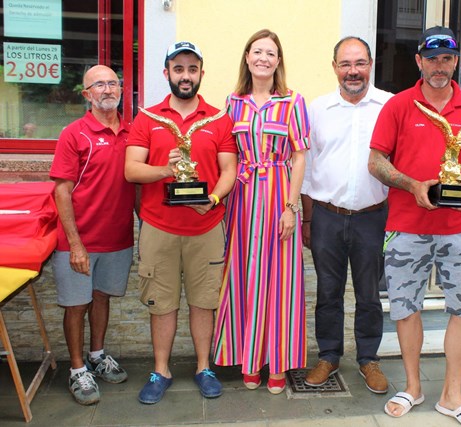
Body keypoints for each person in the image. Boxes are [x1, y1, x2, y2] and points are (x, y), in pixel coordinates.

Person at [368, 26, 461, 426]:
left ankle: (451, 395)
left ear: (456, 61)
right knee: (406, 309)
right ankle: (413, 387)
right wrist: (411, 184)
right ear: (419, 61)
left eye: (447, 58)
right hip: (407, 226)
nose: (440, 66)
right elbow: (375, 161)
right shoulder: (399, 106)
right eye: (432, 58)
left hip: (459, 227)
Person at [125, 41, 238, 404]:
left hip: (206, 228)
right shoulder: (148, 117)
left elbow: (229, 170)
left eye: (192, 69)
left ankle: (205, 367)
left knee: (204, 301)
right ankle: (161, 370)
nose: (185, 76)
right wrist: (166, 169)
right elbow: (131, 170)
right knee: (162, 302)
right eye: (178, 69)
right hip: (158, 228)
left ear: (201, 74)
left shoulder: (219, 118)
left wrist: (214, 199)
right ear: (167, 74)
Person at [212, 29, 309, 395]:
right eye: (257, 52)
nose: (264, 58)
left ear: (278, 60)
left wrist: (290, 206)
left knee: (280, 283)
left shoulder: (292, 101)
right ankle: (249, 360)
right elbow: (226, 153)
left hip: (279, 197)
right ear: (248, 57)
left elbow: (299, 156)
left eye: (271, 53)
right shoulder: (232, 102)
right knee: (243, 278)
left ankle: (278, 364)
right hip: (243, 198)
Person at [300, 36, 392, 394]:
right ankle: (329, 356)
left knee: (369, 294)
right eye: (345, 64)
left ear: (370, 65)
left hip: (374, 217)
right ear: (335, 67)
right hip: (326, 216)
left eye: (360, 63)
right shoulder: (317, 109)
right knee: (328, 292)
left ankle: (368, 358)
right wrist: (308, 219)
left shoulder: (390, 106)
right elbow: (307, 167)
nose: (353, 71)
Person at [50, 65, 135, 405]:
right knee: (76, 305)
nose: (107, 89)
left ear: (121, 90)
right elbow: (61, 192)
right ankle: (76, 369)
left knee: (101, 298)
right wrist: (75, 245)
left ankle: (97, 356)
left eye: (112, 82)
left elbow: (138, 187)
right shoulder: (74, 134)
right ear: (86, 94)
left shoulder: (133, 132)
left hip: (117, 239)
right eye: (98, 84)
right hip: (78, 241)